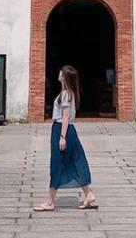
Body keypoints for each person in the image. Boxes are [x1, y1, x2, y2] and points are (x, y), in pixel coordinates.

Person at [33, 65, 98, 211]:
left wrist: (62, 137)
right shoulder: (66, 93)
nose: (59, 73)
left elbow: (66, 117)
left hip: (63, 130)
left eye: (61, 72)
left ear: (64, 77)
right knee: (73, 161)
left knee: (57, 164)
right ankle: (89, 194)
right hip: (65, 130)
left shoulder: (66, 94)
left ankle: (50, 202)